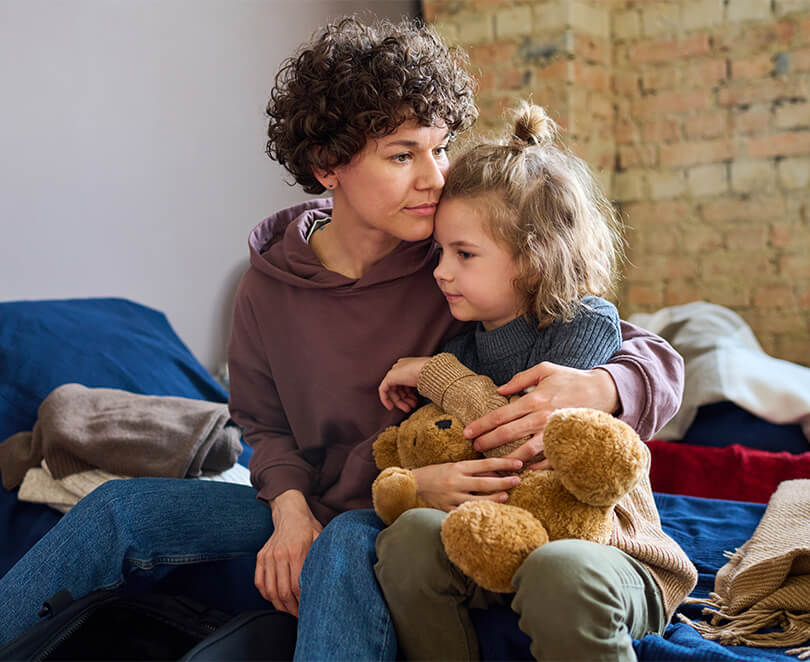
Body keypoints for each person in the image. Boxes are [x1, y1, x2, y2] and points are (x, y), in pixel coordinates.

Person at [0, 16, 684, 656]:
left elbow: (627, 342)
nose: (436, 176)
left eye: (441, 148)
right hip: (313, 498)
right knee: (119, 507)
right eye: (401, 154)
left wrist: (602, 386)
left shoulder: (455, 259)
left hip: (393, 507)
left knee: (344, 546)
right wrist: (291, 511)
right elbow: (262, 427)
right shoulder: (268, 286)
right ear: (328, 165)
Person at [371, 103, 697, 661]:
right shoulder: (462, 346)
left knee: (559, 567)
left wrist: (437, 376)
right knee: (407, 538)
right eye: (440, 251)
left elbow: (524, 442)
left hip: (606, 551)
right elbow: (452, 444)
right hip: (496, 543)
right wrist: (420, 480)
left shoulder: (582, 323)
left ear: (534, 261)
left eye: (464, 254)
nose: (441, 271)